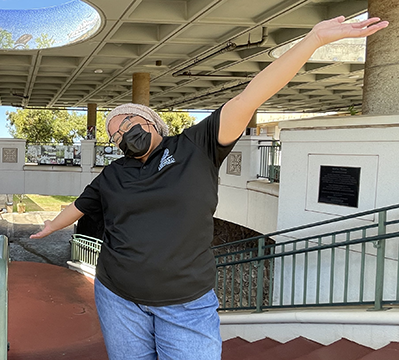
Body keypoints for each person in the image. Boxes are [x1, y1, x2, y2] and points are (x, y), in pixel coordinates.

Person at [30, 16, 387, 360]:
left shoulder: (196, 146)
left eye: (127, 121)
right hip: (118, 297)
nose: (123, 132)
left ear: (152, 121)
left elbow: (249, 97)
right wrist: (51, 226)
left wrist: (314, 40)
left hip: (186, 303)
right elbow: (80, 206)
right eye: (116, 133)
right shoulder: (114, 174)